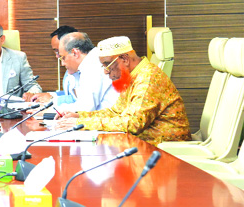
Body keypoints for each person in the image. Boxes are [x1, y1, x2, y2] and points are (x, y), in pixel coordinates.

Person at [56, 36, 191, 145]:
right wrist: (80, 116)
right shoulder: (133, 75)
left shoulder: (147, 78)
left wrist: (82, 123)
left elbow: (133, 124)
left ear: (124, 59)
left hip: (165, 149)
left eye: (107, 65)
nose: (105, 71)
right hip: (144, 144)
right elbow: (116, 111)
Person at [33, 32, 119, 112]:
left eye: (63, 58)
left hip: (110, 122)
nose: (62, 64)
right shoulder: (91, 60)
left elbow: (85, 108)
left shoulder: (92, 65)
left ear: (75, 53)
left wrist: (48, 110)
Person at [24, 25, 79, 103]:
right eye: (55, 51)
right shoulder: (69, 68)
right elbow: (69, 94)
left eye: (58, 50)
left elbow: (81, 99)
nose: (57, 56)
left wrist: (52, 99)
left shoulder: (88, 69)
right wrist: (50, 95)